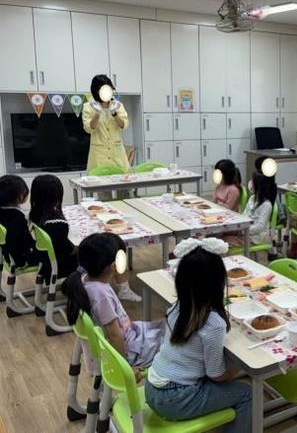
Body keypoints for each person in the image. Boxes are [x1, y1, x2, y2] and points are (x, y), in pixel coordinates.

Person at [145, 238, 251, 431]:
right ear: (218, 283)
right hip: (175, 399)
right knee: (246, 393)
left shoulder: (178, 306)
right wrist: (238, 368)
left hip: (152, 387)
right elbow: (216, 375)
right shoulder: (213, 323)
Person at [61, 233, 164, 368]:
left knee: (167, 328)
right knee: (175, 342)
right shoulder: (101, 295)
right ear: (114, 266)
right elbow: (114, 335)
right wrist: (123, 366)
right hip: (129, 349)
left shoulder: (84, 279)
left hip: (131, 334)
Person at [28, 174, 78, 279]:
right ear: (57, 195)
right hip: (59, 266)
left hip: (45, 260)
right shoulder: (57, 223)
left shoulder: (35, 213)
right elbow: (64, 251)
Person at [82, 74, 130, 173]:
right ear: (96, 91)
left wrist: (115, 114)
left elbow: (124, 125)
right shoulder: (88, 106)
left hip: (117, 154)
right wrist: (97, 114)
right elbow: (88, 128)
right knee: (99, 180)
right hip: (99, 155)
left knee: (121, 179)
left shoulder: (118, 105)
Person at [224, 172, 274, 249]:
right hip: (245, 231)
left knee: (224, 243)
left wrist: (244, 230)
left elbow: (260, 227)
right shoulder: (252, 198)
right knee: (221, 236)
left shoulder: (266, 205)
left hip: (255, 237)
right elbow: (244, 215)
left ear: (259, 186)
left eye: (252, 182)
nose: (250, 184)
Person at [0, 175, 40, 270]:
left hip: (6, 254)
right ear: (19, 197)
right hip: (21, 258)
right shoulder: (17, 217)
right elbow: (22, 241)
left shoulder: (3, 211)